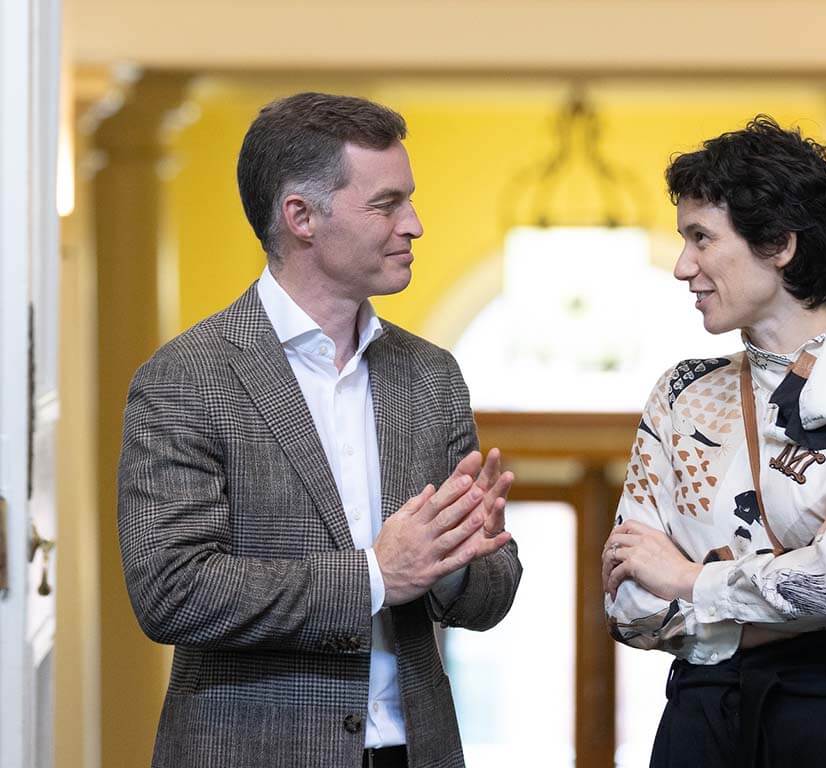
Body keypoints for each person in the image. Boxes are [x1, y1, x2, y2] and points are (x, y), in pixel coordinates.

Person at [118, 92, 523, 768]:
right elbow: (171, 591)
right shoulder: (184, 377)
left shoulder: (433, 375)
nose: (415, 224)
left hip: (413, 751)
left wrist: (458, 565)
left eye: (410, 200)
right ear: (301, 216)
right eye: (387, 204)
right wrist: (371, 576)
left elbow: (488, 599)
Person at [603, 116, 826, 767]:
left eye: (701, 238)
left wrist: (687, 577)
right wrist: (783, 601)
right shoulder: (680, 391)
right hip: (700, 721)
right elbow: (631, 605)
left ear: (780, 245)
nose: (682, 267)